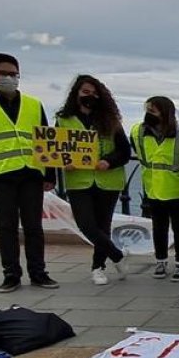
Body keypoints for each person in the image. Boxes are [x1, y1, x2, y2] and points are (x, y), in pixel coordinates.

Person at [0, 52, 59, 292]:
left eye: (13, 74)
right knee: (7, 226)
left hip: (31, 172)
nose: (8, 78)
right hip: (0, 174)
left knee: (33, 227)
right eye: (3, 73)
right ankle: (11, 274)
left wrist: (49, 175)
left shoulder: (33, 104)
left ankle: (38, 272)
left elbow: (45, 139)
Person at [55, 75, 131, 286]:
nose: (90, 96)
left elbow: (124, 151)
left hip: (108, 180)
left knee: (102, 225)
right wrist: (64, 161)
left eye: (95, 93)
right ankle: (117, 255)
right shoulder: (63, 119)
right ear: (76, 94)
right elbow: (54, 149)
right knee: (86, 225)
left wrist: (108, 161)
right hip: (79, 180)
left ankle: (98, 267)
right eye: (85, 92)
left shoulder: (110, 120)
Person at [131, 96, 179, 282]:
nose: (149, 114)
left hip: (177, 190)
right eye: (147, 110)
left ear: (166, 114)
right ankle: (161, 261)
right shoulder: (137, 132)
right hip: (152, 189)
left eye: (153, 111)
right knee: (159, 228)